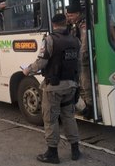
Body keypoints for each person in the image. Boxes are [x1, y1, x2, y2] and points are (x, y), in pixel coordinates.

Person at [22, 13, 81, 164]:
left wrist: (28, 70)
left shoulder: (50, 40)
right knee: (69, 117)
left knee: (50, 119)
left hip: (54, 88)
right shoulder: (75, 40)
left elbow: (41, 62)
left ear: (54, 24)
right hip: (71, 85)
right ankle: (75, 150)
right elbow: (78, 64)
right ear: (65, 23)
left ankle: (52, 154)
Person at [66, 0, 93, 119]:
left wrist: (79, 60)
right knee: (80, 84)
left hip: (84, 59)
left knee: (85, 83)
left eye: (71, 15)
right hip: (78, 58)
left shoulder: (84, 24)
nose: (69, 17)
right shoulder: (76, 24)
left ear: (77, 14)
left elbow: (84, 45)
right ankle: (86, 106)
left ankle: (91, 108)